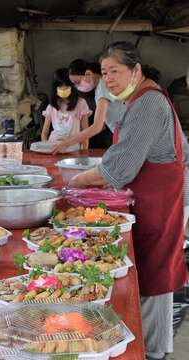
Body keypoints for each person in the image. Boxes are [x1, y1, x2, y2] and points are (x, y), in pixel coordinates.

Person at [68, 41, 189, 360]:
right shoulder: (141, 98)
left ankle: (152, 350)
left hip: (160, 200)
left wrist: (77, 182)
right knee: (153, 268)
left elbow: (120, 166)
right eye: (104, 72)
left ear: (136, 70)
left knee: (154, 271)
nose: (109, 78)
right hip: (155, 196)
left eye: (116, 71)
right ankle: (155, 346)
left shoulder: (149, 103)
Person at [41, 68, 91, 150]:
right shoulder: (51, 107)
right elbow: (44, 133)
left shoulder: (81, 104)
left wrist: (85, 151)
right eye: (60, 86)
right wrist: (46, 148)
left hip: (74, 149)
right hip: (54, 148)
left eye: (66, 85)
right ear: (55, 88)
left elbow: (86, 133)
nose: (63, 88)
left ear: (72, 85)